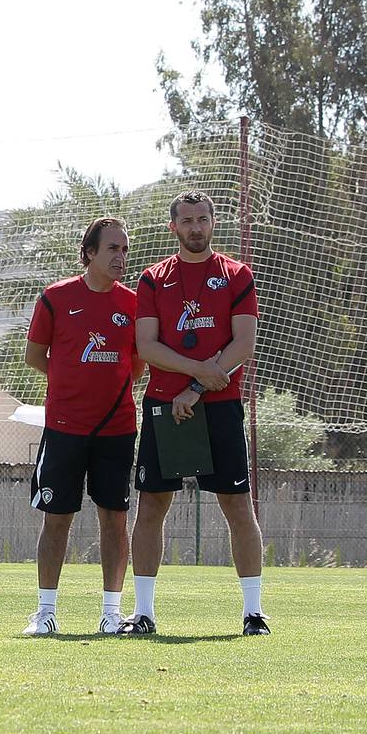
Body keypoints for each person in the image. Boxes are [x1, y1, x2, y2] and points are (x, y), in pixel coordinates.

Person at [125, 190, 269, 636]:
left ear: (213, 222)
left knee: (237, 507)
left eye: (202, 219)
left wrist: (197, 387)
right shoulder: (153, 279)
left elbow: (243, 344)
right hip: (165, 408)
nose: (195, 227)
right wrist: (194, 375)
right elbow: (147, 346)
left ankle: (253, 613)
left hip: (221, 407)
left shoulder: (236, 275)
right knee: (152, 505)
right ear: (174, 228)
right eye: (187, 221)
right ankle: (143, 613)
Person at [20, 217, 145, 636]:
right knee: (57, 518)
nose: (120, 257)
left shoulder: (133, 303)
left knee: (114, 518)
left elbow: (137, 364)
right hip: (64, 428)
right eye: (113, 248)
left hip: (117, 429)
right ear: (89, 252)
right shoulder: (56, 298)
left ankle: (112, 613)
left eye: (125, 249)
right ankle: (46, 612)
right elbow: (35, 356)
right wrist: (69, 386)